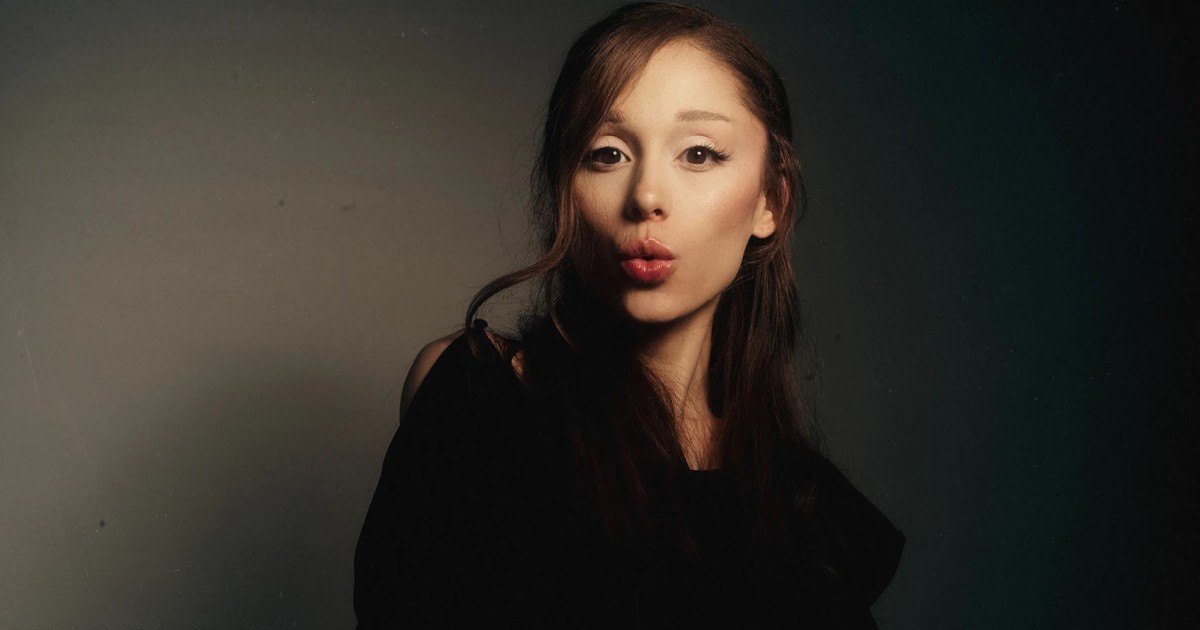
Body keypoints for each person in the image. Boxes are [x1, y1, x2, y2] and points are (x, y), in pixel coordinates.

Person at [354, 3, 904, 627]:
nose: (646, 196)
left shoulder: (812, 515)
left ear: (770, 203)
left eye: (699, 154)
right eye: (607, 154)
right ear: (564, 188)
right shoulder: (477, 396)